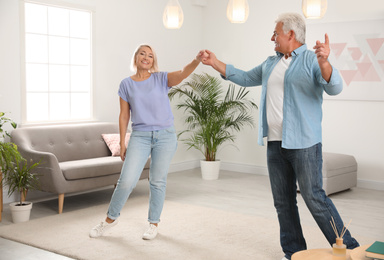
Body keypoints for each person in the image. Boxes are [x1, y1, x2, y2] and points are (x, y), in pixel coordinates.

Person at [201, 13, 359, 259]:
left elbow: (335, 87)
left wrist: (325, 62)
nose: (272, 38)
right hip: (275, 144)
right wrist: (215, 62)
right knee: (283, 202)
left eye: (276, 33)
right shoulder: (270, 63)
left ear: (291, 34)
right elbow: (243, 77)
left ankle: (349, 248)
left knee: (314, 198)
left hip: (305, 144)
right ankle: (293, 252)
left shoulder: (311, 59)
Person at [89, 44, 206, 240]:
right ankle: (110, 219)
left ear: (153, 61)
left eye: (150, 55)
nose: (146, 57)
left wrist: (196, 60)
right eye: (142, 53)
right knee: (126, 181)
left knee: (157, 181)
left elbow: (183, 73)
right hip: (140, 136)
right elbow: (124, 116)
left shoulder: (161, 79)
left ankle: (153, 224)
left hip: (165, 136)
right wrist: (122, 143)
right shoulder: (126, 84)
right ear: (135, 58)